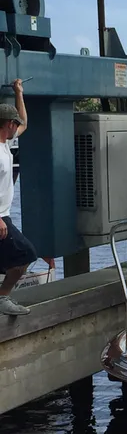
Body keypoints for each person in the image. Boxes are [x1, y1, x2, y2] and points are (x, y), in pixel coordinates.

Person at [0, 78, 32, 316]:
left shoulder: (6, 142)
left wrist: (18, 93)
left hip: (4, 216)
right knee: (26, 254)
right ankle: (2, 298)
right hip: (0, 218)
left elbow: (25, 124)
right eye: (15, 124)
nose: (17, 127)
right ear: (9, 123)